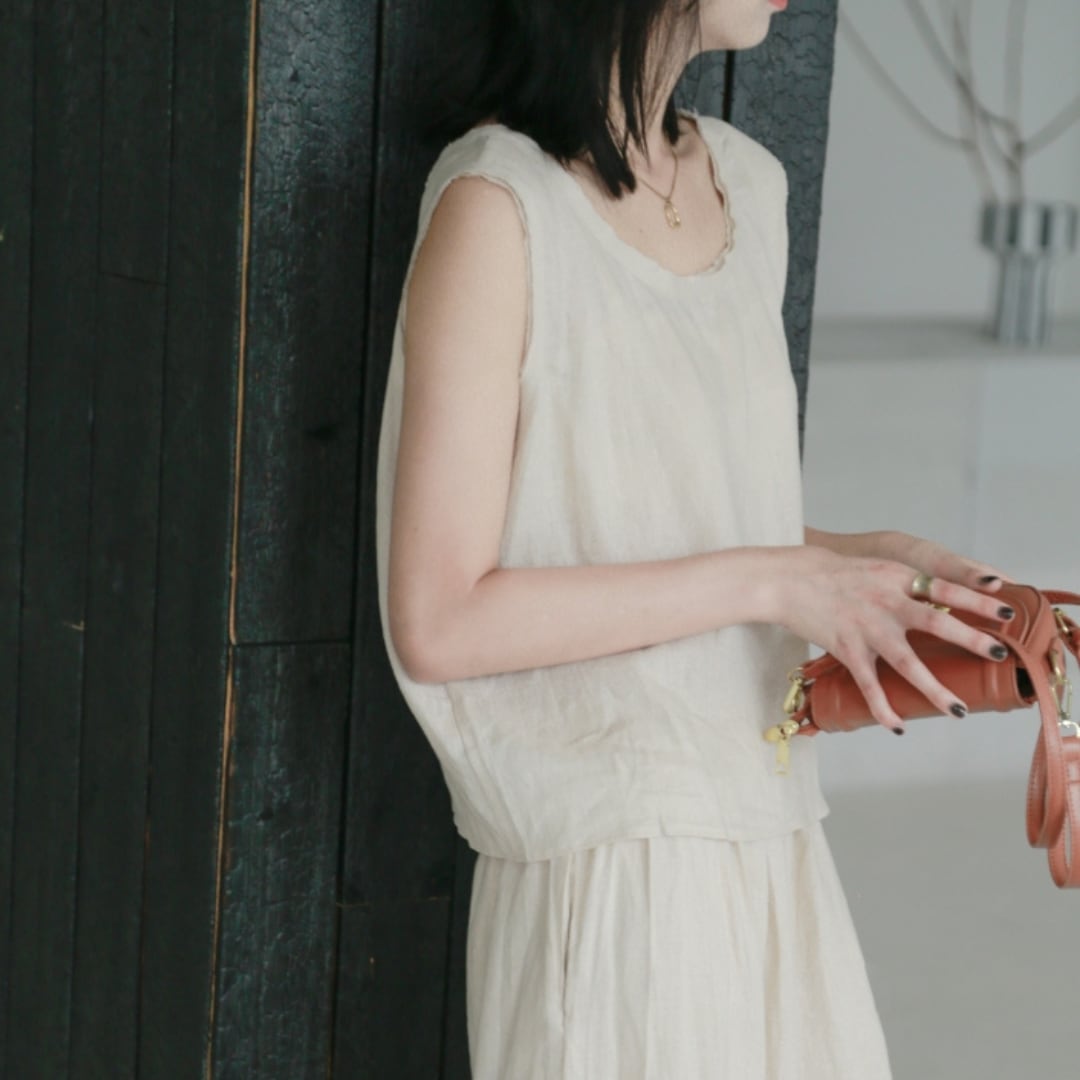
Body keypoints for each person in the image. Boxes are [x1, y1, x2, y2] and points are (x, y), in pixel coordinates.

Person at [374, 1, 1018, 1075]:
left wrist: (860, 562)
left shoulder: (746, 186)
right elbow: (441, 618)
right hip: (610, 870)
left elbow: (652, 510)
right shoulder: (499, 206)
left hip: (771, 828)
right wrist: (779, 581)